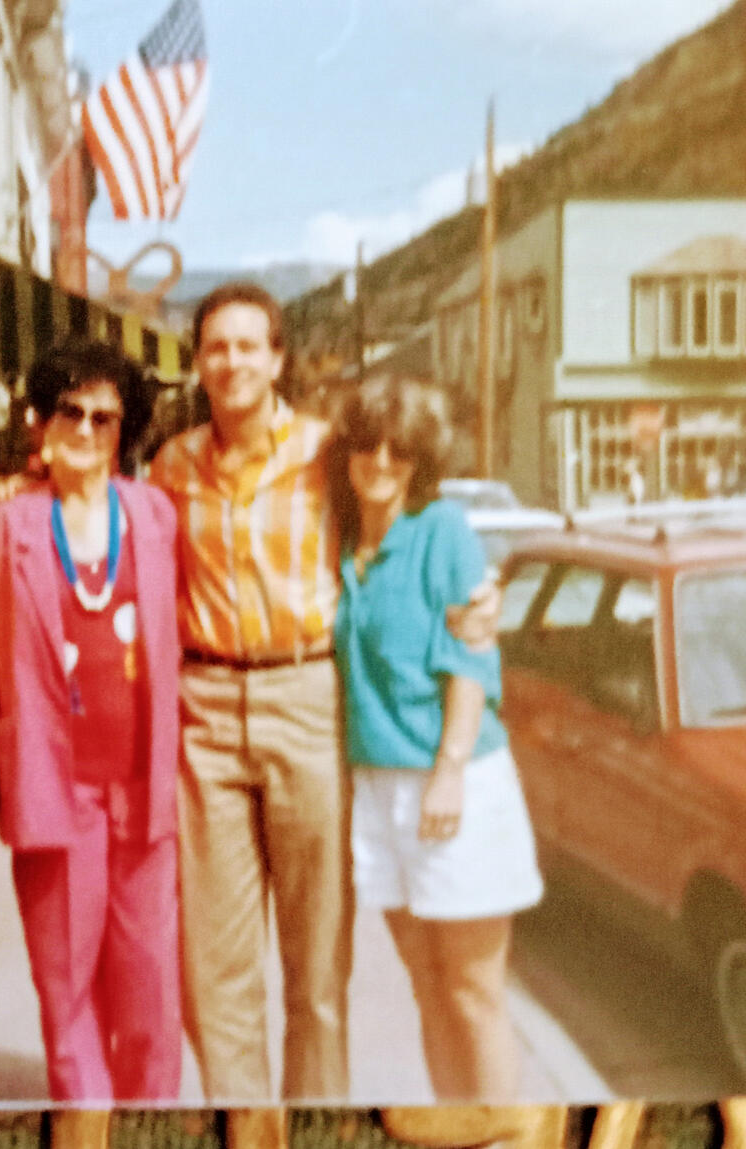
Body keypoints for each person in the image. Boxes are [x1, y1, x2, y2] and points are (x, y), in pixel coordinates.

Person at [149, 282, 499, 1103]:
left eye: (249, 345)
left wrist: (479, 593)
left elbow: (404, 524)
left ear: (278, 359)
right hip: (205, 707)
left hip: (306, 697)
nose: (232, 361)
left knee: (317, 970)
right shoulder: (172, 465)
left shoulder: (325, 452)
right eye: (216, 347)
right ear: (198, 362)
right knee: (216, 975)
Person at [328, 374, 543, 1101]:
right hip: (377, 789)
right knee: (427, 985)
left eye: (401, 449)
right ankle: (458, 1129)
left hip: (454, 781)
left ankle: (501, 1135)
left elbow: (470, 657)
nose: (382, 461)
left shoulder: (443, 530)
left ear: (422, 459)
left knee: (473, 992)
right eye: (368, 444)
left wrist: (449, 770)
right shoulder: (341, 537)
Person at [0, 340, 182, 1102]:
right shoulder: (4, 524)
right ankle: (86, 1124)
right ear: (41, 419)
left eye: (105, 416)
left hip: (142, 789)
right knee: (66, 989)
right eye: (71, 411)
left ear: (124, 428)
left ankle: (150, 1120)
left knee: (150, 988)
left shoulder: (155, 514)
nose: (88, 429)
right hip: (55, 788)